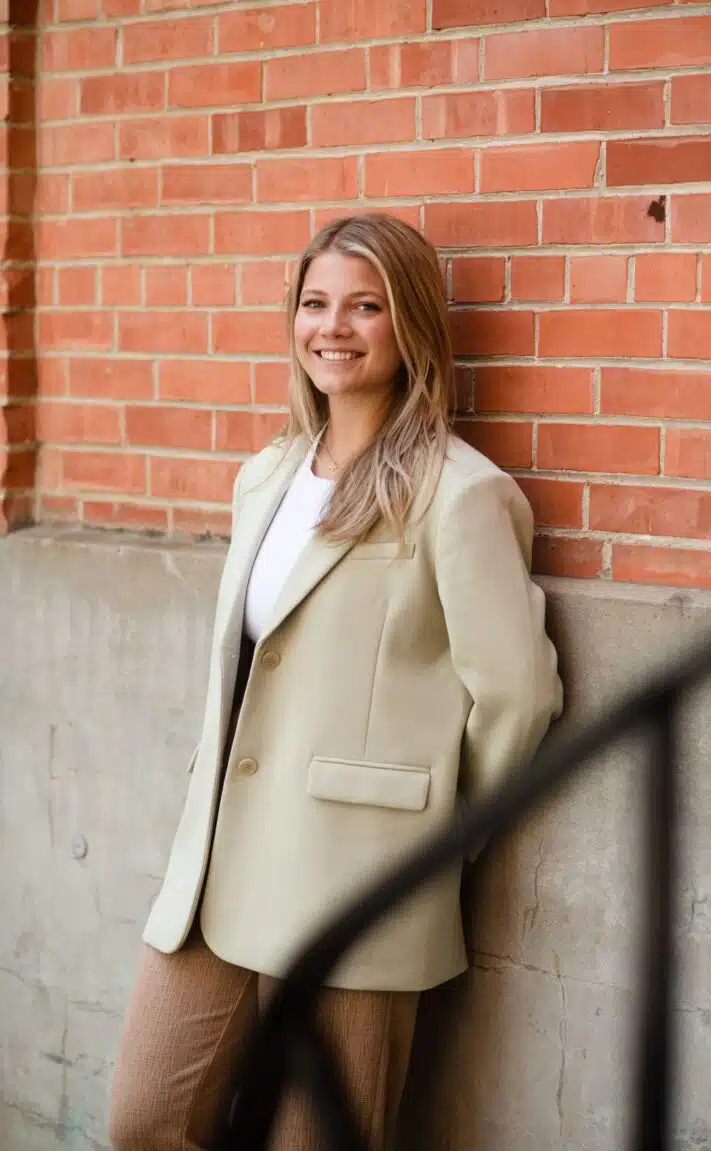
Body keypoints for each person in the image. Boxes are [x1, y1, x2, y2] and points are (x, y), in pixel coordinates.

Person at [108, 213, 563, 1151]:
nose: (334, 327)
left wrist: (427, 828)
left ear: (412, 328)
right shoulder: (267, 474)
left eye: (366, 306)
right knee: (144, 1117)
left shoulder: (459, 493)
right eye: (316, 303)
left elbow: (518, 693)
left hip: (363, 876)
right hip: (220, 868)